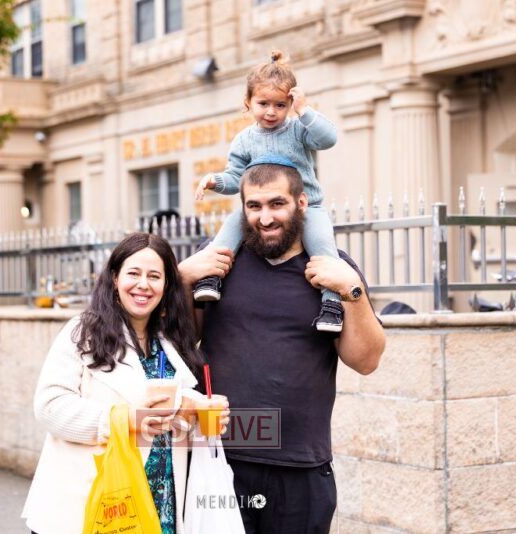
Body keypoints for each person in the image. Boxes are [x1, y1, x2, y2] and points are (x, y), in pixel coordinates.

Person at [179, 160, 386, 534]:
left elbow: (366, 361)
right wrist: (182, 279)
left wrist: (352, 290)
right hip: (221, 461)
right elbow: (179, 342)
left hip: (301, 469)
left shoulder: (331, 270)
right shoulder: (218, 263)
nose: (265, 218)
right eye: (254, 206)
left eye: (277, 204)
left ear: (302, 203)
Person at [22, 233, 228, 534]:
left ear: (166, 285)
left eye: (154, 276)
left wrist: (196, 409)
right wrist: (124, 419)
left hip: (157, 505)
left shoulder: (170, 340)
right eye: (134, 273)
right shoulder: (83, 332)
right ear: (115, 278)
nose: (143, 284)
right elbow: (50, 407)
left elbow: (168, 414)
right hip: (91, 504)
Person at [193, 50, 343, 332]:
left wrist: (305, 110)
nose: (271, 112)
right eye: (263, 104)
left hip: (307, 208)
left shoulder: (298, 129)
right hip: (261, 205)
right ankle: (211, 277)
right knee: (227, 231)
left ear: (290, 104)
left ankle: (332, 303)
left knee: (322, 245)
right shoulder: (244, 140)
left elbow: (328, 139)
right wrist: (215, 181)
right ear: (248, 103)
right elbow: (235, 177)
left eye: (280, 105)